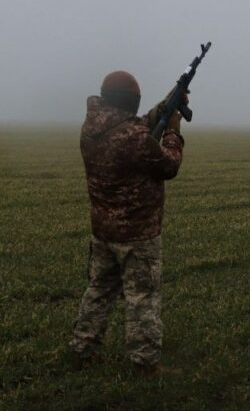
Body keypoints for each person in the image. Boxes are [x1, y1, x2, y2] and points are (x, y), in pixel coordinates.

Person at [69, 70, 185, 375]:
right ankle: (145, 363)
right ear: (130, 102)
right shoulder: (132, 136)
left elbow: (134, 130)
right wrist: (173, 129)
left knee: (99, 291)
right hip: (137, 232)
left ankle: (83, 348)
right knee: (142, 297)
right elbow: (169, 165)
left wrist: (163, 107)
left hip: (103, 229)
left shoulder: (93, 126)